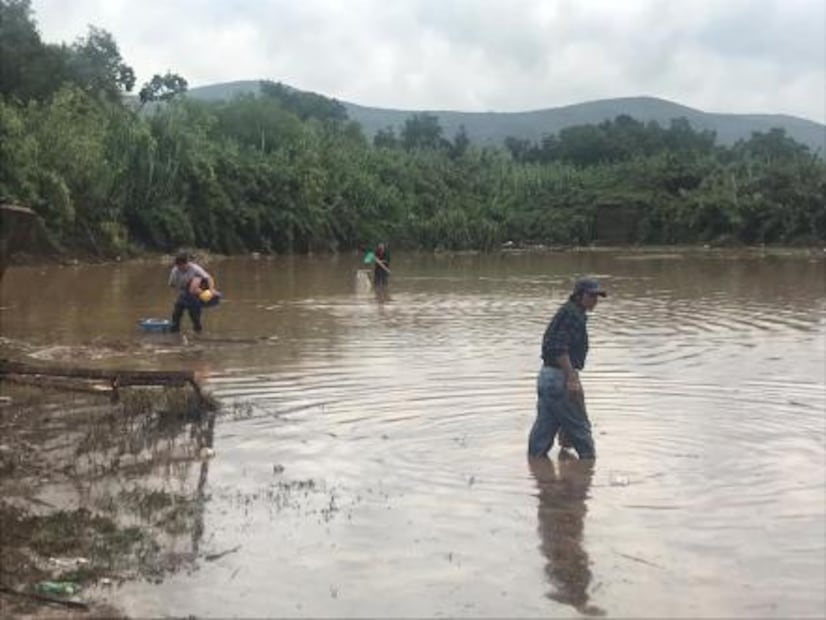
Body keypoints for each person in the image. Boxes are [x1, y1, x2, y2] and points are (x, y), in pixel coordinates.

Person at [528, 277, 606, 460]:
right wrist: (571, 378)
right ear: (579, 296)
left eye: (597, 296)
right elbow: (559, 347)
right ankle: (587, 475)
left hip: (546, 377)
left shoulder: (569, 312)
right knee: (582, 433)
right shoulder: (572, 315)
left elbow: (555, 346)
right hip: (559, 377)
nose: (595, 300)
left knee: (542, 433)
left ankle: (537, 476)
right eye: (591, 295)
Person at [168, 252, 216, 333]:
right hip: (183, 293)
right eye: (178, 266)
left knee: (194, 316)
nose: (180, 268)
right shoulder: (175, 271)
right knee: (176, 314)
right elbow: (172, 285)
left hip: (195, 294)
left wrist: (211, 291)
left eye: (182, 266)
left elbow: (209, 278)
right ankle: (175, 333)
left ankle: (198, 333)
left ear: (186, 263)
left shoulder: (195, 268)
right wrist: (178, 294)